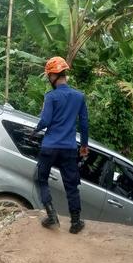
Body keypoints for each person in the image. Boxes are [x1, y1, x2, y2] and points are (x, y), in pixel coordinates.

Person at [34, 56, 89, 234]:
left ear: (52, 76)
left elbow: (45, 120)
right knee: (71, 185)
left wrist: (36, 129)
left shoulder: (51, 96)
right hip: (69, 148)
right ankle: (75, 222)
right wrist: (84, 145)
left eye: (49, 76)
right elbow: (84, 124)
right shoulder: (79, 96)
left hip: (49, 146)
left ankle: (51, 215)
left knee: (41, 179)